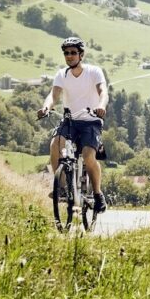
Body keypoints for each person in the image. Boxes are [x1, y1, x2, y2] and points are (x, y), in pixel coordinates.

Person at [37, 36, 108, 213]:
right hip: (70, 120)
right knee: (55, 145)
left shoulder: (94, 71)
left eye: (73, 53)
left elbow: (103, 92)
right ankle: (61, 188)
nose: (69, 56)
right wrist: (46, 107)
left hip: (91, 120)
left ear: (81, 54)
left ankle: (98, 194)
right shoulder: (62, 74)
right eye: (66, 53)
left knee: (88, 155)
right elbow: (53, 96)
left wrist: (101, 106)